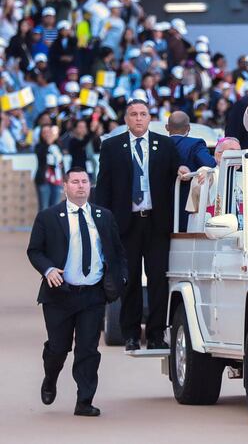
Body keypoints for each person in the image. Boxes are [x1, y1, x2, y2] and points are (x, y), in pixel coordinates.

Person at [27, 167, 127, 417]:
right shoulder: (48, 217)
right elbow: (34, 250)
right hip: (59, 294)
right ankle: (50, 378)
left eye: (84, 181)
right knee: (59, 348)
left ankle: (84, 400)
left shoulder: (103, 216)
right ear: (65, 187)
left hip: (92, 295)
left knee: (88, 350)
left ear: (90, 185)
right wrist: (48, 269)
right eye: (75, 182)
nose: (81, 186)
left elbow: (116, 251)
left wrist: (120, 277)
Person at [94, 99, 182, 352]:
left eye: (143, 114)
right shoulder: (111, 146)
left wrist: (184, 169)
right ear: (126, 119)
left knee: (158, 279)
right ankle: (130, 334)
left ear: (150, 118)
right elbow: (104, 186)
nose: (139, 119)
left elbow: (175, 173)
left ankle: (156, 333)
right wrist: (103, 224)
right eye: (133, 114)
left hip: (156, 223)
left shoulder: (164, 144)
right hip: (126, 224)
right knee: (129, 280)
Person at [167, 111, 216, 231]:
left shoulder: (159, 144)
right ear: (188, 128)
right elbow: (209, 164)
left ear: (167, 127)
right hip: (186, 204)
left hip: (159, 206)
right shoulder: (195, 144)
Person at [186, 137, 241, 226]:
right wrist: (205, 175)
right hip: (213, 228)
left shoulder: (245, 176)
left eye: (239, 151)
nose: (238, 155)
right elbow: (201, 184)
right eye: (232, 151)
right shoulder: (210, 173)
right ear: (218, 155)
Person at [34, 125, 64, 211]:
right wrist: (49, 143)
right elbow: (42, 157)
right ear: (41, 135)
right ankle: (43, 224)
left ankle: (53, 225)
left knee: (55, 207)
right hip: (44, 180)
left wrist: (64, 176)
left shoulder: (58, 146)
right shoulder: (39, 146)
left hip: (57, 179)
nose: (47, 134)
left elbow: (61, 162)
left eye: (49, 132)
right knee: (44, 207)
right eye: (45, 132)